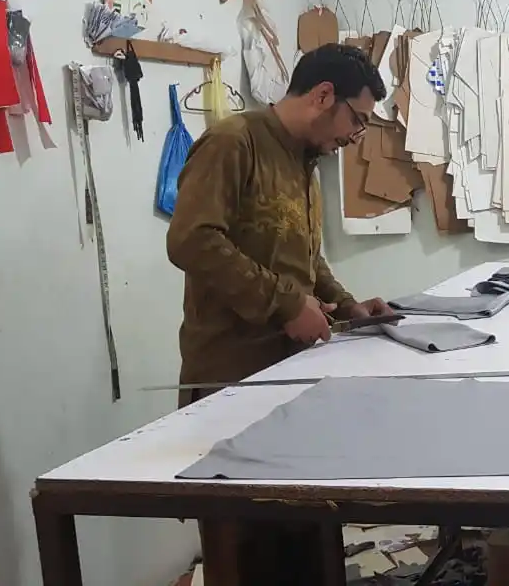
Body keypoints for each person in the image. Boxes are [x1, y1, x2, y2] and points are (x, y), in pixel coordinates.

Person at [166, 43, 394, 584]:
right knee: (246, 550)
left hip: (290, 378)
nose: (354, 137)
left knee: (305, 539)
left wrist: (348, 305)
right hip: (231, 382)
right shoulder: (234, 142)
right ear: (323, 96)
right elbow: (191, 240)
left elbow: (304, 259)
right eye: (357, 120)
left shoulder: (304, 163)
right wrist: (285, 303)